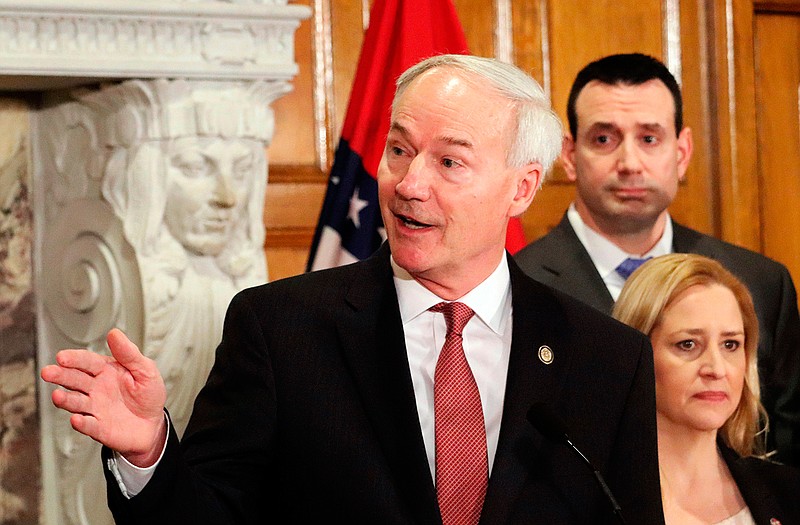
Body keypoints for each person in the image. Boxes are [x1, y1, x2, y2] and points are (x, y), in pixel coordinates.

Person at [41, 54, 665, 524]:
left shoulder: (606, 359)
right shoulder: (281, 330)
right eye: (399, 150)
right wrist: (150, 449)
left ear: (521, 188)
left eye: (449, 162)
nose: (408, 183)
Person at [514, 52, 800, 467]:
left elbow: (785, 449)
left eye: (649, 139)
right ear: (570, 156)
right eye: (604, 139)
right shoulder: (517, 283)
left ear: (681, 152)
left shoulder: (760, 282)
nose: (630, 164)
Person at [612, 254, 800, 524]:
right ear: (635, 354)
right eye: (688, 344)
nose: (716, 368)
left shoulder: (788, 494)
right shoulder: (590, 501)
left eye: (730, 345)